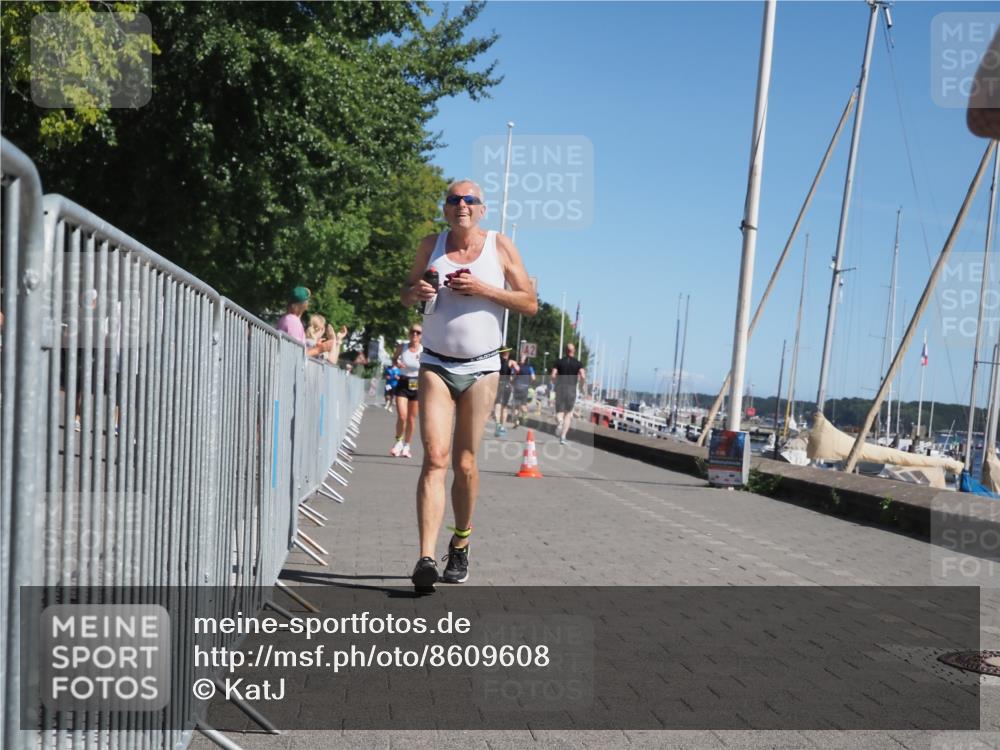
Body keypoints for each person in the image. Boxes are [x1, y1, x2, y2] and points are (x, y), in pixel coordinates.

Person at [400, 179, 536, 591]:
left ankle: (460, 541)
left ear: (481, 209)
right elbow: (407, 295)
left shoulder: (499, 245)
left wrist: (483, 289)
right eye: (453, 200)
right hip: (435, 364)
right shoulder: (431, 244)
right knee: (435, 459)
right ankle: (425, 558)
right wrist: (417, 291)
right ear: (445, 208)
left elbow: (529, 302)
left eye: (469, 200)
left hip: (482, 367)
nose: (461, 205)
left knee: (464, 463)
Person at [390, 326, 423, 458]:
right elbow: (394, 359)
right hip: (403, 383)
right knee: (402, 416)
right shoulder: (402, 347)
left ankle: (407, 445)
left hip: (417, 384)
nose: (414, 334)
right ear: (409, 333)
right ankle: (398, 441)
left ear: (421, 335)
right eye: (412, 331)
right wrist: (397, 364)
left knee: (411, 419)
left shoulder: (423, 350)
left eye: (418, 332)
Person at [276, 286, 333, 359]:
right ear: (305, 305)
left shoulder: (286, 319)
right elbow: (295, 354)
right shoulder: (293, 322)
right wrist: (320, 349)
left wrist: (315, 347)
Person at [550, 342, 586, 445]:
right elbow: (583, 376)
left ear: (566, 351)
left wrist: (555, 383)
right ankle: (563, 437)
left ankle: (559, 422)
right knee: (568, 414)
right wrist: (581, 385)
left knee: (559, 412)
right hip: (571, 389)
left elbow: (553, 375)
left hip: (560, 387)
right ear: (574, 351)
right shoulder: (578, 363)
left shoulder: (559, 362)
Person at [493, 348, 516, 437]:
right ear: (508, 353)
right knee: (505, 406)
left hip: (499, 384)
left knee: (497, 404)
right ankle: (502, 426)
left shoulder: (496, 362)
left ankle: (498, 424)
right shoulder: (511, 362)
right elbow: (517, 370)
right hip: (507, 385)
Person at [511, 355, 535, 428]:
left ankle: (516, 421)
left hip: (517, 387)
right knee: (523, 404)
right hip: (525, 388)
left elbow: (512, 377)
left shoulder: (516, 368)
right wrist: (529, 383)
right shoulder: (530, 368)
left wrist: (512, 382)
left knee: (516, 406)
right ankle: (525, 413)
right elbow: (533, 378)